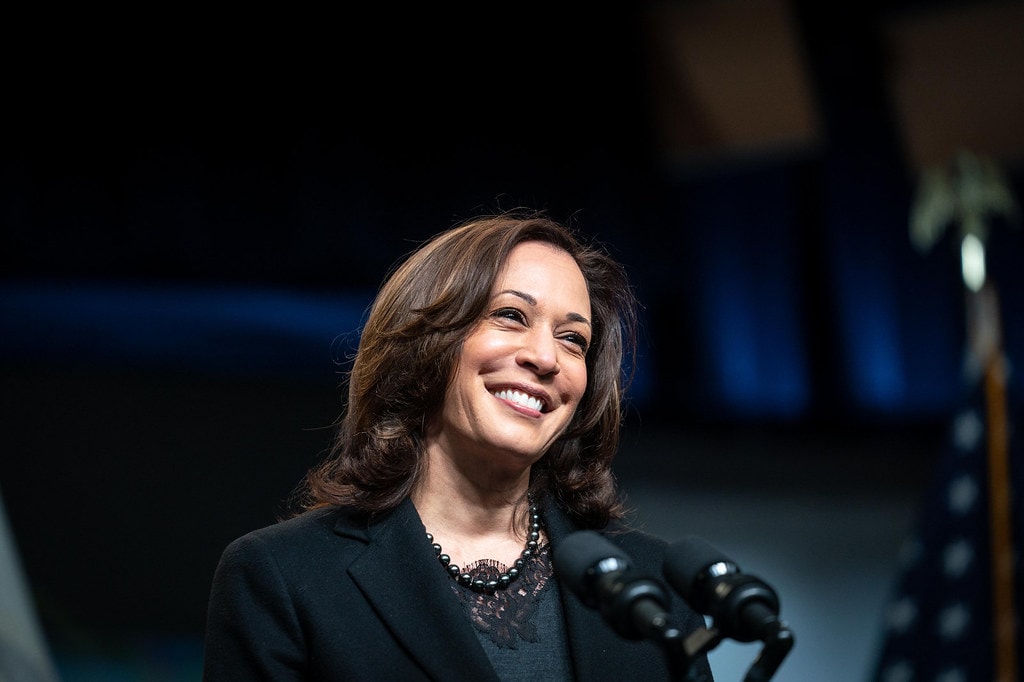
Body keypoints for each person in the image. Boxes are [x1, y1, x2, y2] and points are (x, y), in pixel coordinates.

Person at [202, 211, 715, 681]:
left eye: (572, 340)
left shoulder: (656, 589)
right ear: (426, 341)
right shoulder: (283, 577)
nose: (545, 357)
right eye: (511, 315)